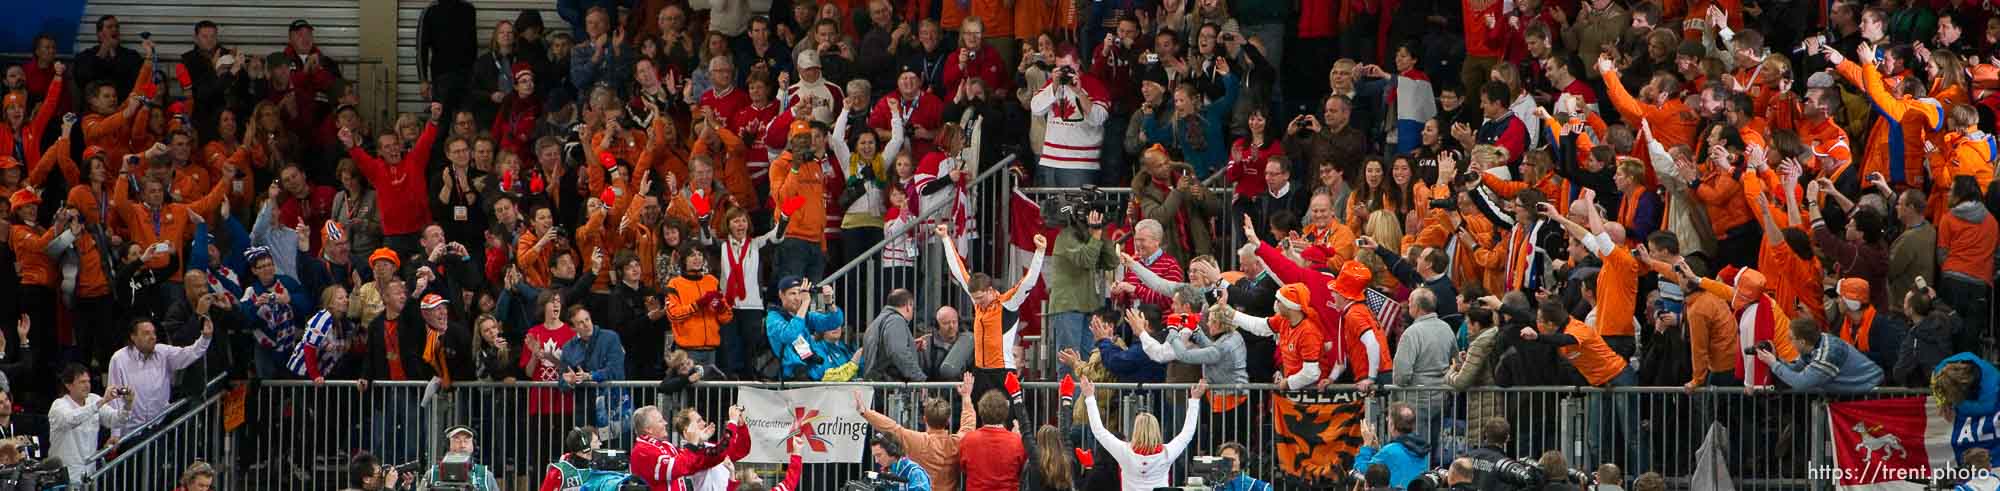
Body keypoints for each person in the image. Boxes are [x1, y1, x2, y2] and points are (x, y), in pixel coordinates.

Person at [939, 225, 1045, 394]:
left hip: (1003, 372)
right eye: (974, 299)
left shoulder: (1007, 303)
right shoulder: (977, 300)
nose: (977, 303)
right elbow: (958, 270)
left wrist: (1039, 253)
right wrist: (945, 238)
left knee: (1008, 420)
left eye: (980, 298)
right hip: (980, 371)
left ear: (989, 290)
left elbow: (1028, 282)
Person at [1079, 375, 1204, 491]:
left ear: (1136, 431)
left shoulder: (1124, 451)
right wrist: (1194, 400)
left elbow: (1098, 430)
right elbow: (1187, 433)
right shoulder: (1167, 453)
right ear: (1156, 431)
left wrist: (1089, 397)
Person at [106, 316, 210, 438]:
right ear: (133, 337)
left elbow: (189, 353)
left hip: (159, 427)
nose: (152, 337)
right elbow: (115, 397)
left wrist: (205, 338)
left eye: (153, 333)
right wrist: (115, 434)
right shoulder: (119, 359)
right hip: (131, 432)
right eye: (146, 333)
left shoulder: (163, 352)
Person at [856, 390, 965, 491]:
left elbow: (891, 427)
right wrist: (967, 398)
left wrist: (865, 412)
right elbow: (968, 425)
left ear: (924, 419)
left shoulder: (917, 440)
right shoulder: (957, 441)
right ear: (949, 421)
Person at [47, 364, 129, 483]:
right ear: (68, 385)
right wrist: (102, 401)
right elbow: (72, 419)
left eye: (88, 381)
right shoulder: (58, 405)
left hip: (89, 475)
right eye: (82, 382)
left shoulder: (93, 399)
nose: (87, 385)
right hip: (65, 476)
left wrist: (128, 405)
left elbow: (115, 421)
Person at [1759, 318, 1885, 393]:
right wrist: (1776, 359)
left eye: (1791, 338)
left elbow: (1801, 383)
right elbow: (1798, 369)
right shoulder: (1815, 343)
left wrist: (1773, 364)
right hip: (1858, 390)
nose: (1788, 341)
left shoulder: (1828, 355)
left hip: (1873, 391)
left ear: (1802, 342)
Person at [630, 405, 730, 491]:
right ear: (648, 429)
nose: (666, 423)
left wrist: (699, 442)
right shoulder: (642, 451)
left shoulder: (665, 445)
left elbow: (696, 463)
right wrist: (692, 444)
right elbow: (678, 468)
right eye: (660, 421)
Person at [765, 276, 845, 380]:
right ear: (781, 294)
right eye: (792, 293)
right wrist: (806, 303)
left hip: (813, 375)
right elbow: (789, 335)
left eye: (800, 293)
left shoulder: (805, 316)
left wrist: (830, 303)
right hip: (792, 380)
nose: (798, 298)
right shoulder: (773, 317)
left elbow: (834, 322)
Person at [1353, 403, 1431, 488]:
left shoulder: (1390, 450)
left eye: (1389, 420)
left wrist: (1367, 445)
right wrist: (1377, 450)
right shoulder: (1421, 448)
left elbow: (1364, 470)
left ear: (1392, 426)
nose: (1387, 420)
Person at [863, 289, 926, 381]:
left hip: (878, 386)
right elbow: (898, 352)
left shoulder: (876, 323)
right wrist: (920, 378)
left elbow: (884, 352)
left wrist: (911, 345)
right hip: (891, 389)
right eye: (913, 308)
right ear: (908, 306)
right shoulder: (896, 321)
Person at [422, 426, 498, 490]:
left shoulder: (485, 476)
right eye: (457, 440)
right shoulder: (431, 475)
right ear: (448, 446)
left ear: (473, 446)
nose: (462, 445)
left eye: (466, 441)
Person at [871, 437, 936, 490]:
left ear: (892, 452)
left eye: (879, 455)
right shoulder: (886, 471)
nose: (876, 461)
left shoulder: (915, 472)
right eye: (874, 456)